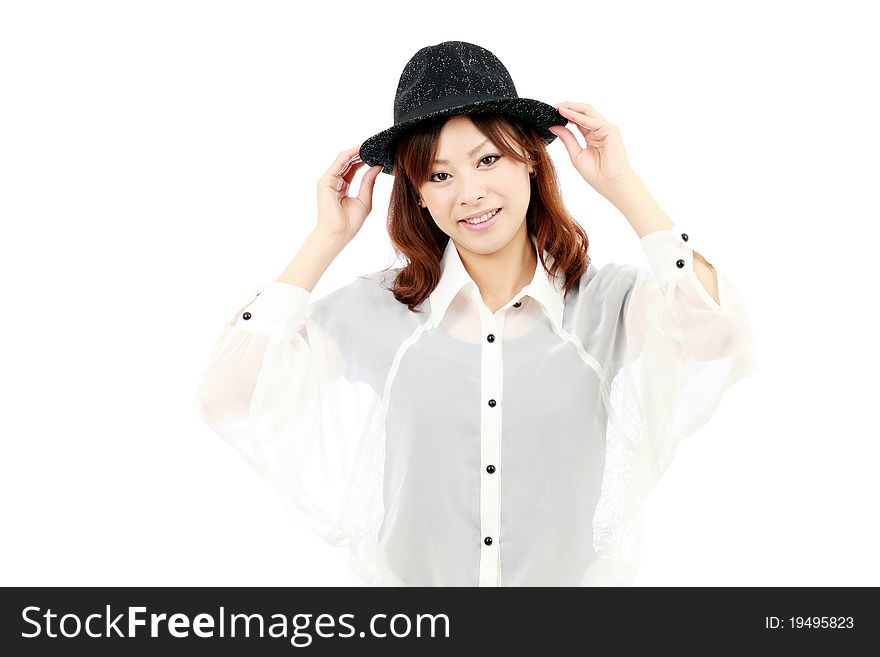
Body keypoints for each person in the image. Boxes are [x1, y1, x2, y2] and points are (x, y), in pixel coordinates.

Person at [193, 41, 759, 587]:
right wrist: (325, 238)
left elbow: (721, 334)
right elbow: (227, 395)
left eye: (488, 160)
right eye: (439, 175)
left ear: (530, 163)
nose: (469, 193)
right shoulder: (381, 308)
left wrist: (625, 187)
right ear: (417, 194)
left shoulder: (604, 301)